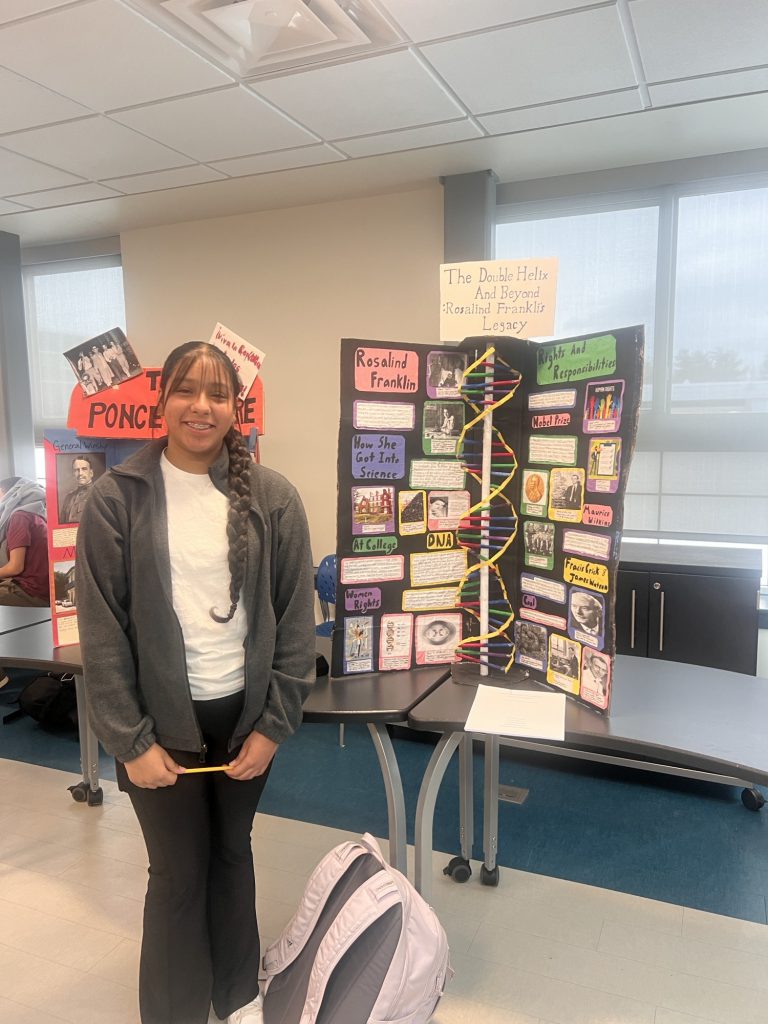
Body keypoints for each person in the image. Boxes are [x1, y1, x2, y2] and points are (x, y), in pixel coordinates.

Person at [76, 341, 316, 1024]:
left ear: (236, 408)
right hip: (159, 730)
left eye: (218, 394)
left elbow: (298, 619)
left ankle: (237, 1000)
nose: (201, 407)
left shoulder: (272, 498)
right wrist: (129, 741)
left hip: (243, 722)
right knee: (178, 877)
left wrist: (274, 726)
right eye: (186, 390)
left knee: (232, 857)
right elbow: (103, 636)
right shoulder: (115, 500)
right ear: (161, 401)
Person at [0, 476, 49, 608]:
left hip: (31, 590)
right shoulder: (37, 514)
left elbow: (15, 567)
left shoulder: (19, 517)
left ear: (11, 494)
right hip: (43, 588)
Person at [60, 454, 97, 523]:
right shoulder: (69, 497)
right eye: (77, 470)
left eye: (84, 469)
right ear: (74, 474)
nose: (80, 473)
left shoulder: (98, 495)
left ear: (91, 473)